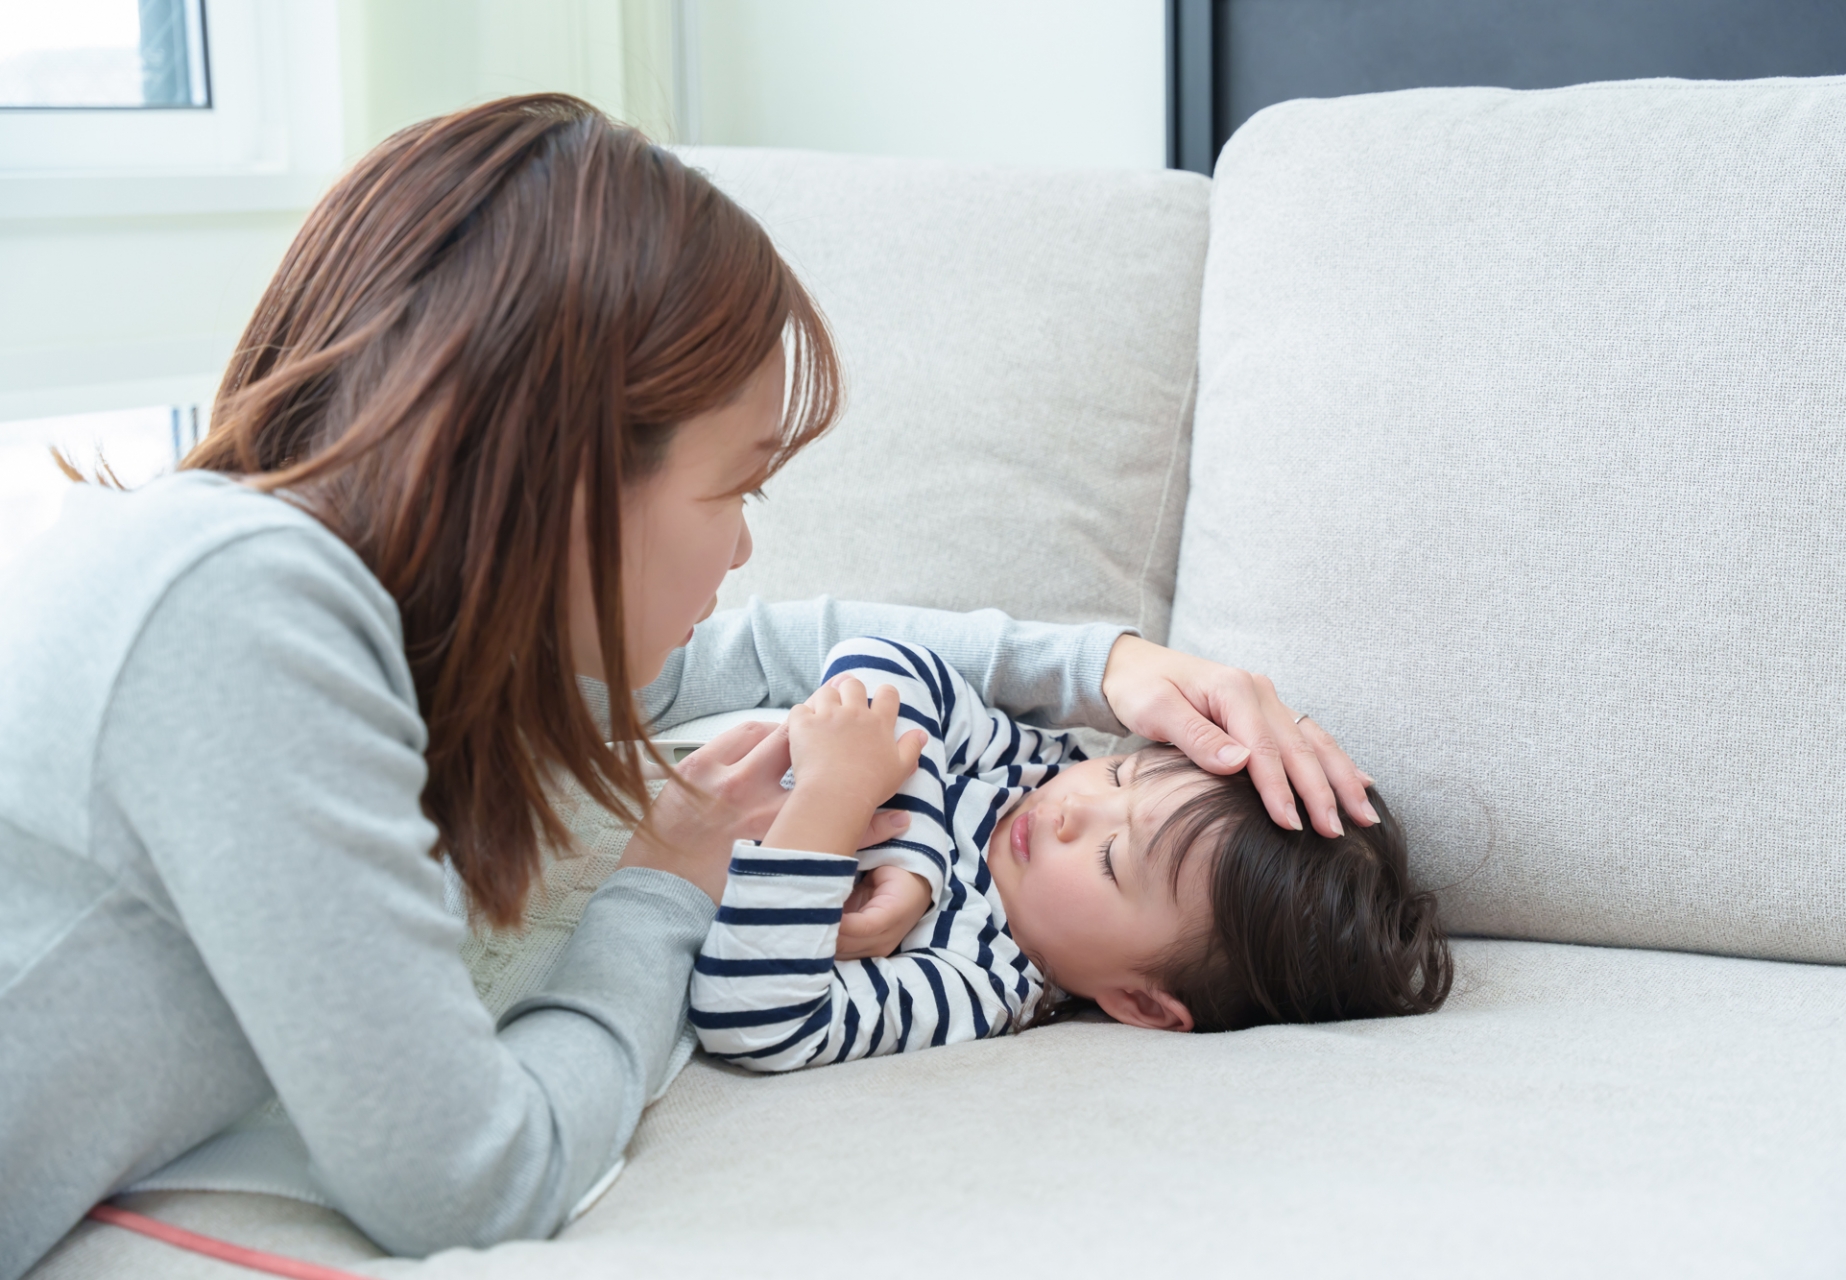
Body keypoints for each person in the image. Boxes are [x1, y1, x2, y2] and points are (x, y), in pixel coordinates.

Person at [0, 95, 1376, 1279]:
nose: (743, 548)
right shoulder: (249, 629)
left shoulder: (366, 634)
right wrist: (664, 889)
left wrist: (1112, 667)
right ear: (574, 482)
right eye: (736, 487)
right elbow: (474, 1178)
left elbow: (754, 659)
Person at [691, 639, 1449, 1070]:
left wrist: (829, 804)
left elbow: (757, 1021)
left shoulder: (974, 981)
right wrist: (911, 848)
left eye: (1113, 859)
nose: (1073, 810)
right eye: (1120, 773)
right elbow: (878, 655)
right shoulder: (1024, 769)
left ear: (1141, 1002)